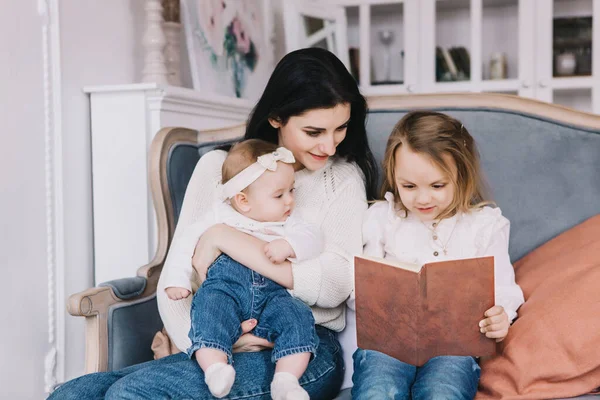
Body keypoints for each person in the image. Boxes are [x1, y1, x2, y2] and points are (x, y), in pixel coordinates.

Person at [49, 47, 378, 400]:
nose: (329, 145)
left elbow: (337, 282)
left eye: (340, 128)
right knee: (72, 393)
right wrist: (213, 340)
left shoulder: (343, 178)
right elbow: (176, 286)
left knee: (131, 393)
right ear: (276, 118)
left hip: (304, 347)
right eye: (314, 131)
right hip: (216, 340)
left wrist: (225, 238)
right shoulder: (216, 169)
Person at [350, 111, 525, 399]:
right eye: (409, 186)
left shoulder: (484, 226)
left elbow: (504, 289)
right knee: (378, 390)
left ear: (461, 175)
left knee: (442, 392)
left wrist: (501, 315)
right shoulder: (382, 219)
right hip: (388, 344)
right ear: (393, 175)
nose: (422, 198)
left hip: (454, 346)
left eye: (437, 185)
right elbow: (359, 290)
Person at [163, 139, 323, 399]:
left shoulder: (288, 223)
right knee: (208, 312)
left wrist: (290, 245)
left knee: (298, 317)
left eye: (292, 191)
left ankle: (286, 380)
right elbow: (186, 242)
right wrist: (177, 279)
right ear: (243, 201)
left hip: (273, 294)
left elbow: (313, 239)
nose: (290, 201)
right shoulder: (219, 215)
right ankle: (215, 369)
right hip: (225, 289)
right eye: (279, 195)